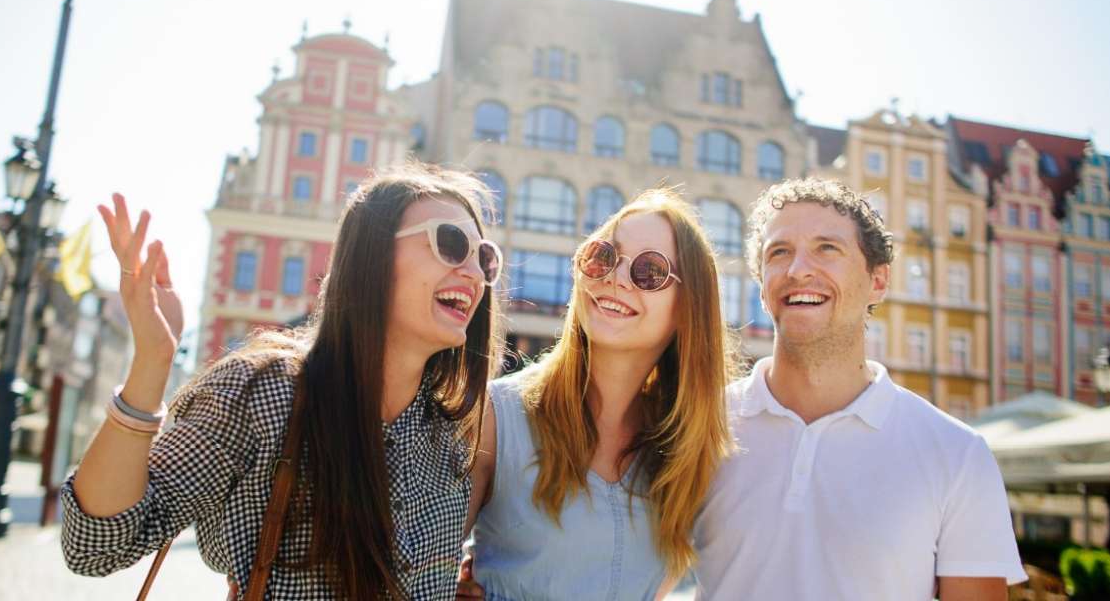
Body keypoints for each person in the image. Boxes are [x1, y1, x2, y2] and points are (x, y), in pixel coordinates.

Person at [60, 163, 504, 599]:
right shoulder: (266, 392)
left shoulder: (454, 436)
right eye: (451, 243)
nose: (473, 274)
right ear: (373, 255)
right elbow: (93, 546)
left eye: (485, 259)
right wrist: (153, 362)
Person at [692, 178, 1027, 600]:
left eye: (826, 248)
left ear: (879, 281)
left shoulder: (958, 455)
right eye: (779, 253)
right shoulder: (700, 426)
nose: (798, 270)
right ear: (762, 286)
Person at [460, 189, 738, 600]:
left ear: (688, 307)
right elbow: (417, 572)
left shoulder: (692, 450)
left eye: (649, 271)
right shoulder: (495, 417)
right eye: (603, 256)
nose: (615, 277)